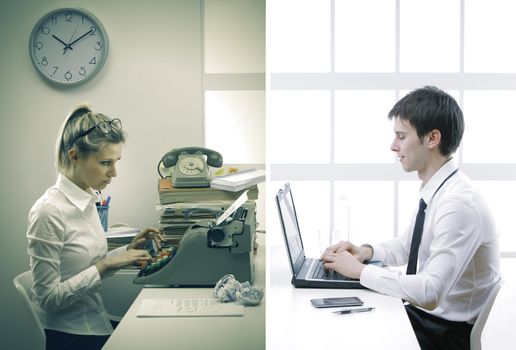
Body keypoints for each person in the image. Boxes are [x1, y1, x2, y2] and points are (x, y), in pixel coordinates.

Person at [321, 86, 500, 350]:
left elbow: (430, 292)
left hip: (446, 335)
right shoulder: (440, 189)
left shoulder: (458, 204)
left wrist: (359, 271)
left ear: (432, 138)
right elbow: (408, 246)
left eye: (401, 136)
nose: (393, 146)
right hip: (429, 321)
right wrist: (365, 252)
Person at [26, 104, 164, 350]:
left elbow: (90, 265)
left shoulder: (87, 198)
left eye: (116, 161)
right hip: (70, 337)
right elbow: (47, 299)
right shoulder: (49, 211)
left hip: (95, 322)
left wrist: (127, 251)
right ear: (75, 156)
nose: (114, 172)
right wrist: (105, 265)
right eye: (105, 163)